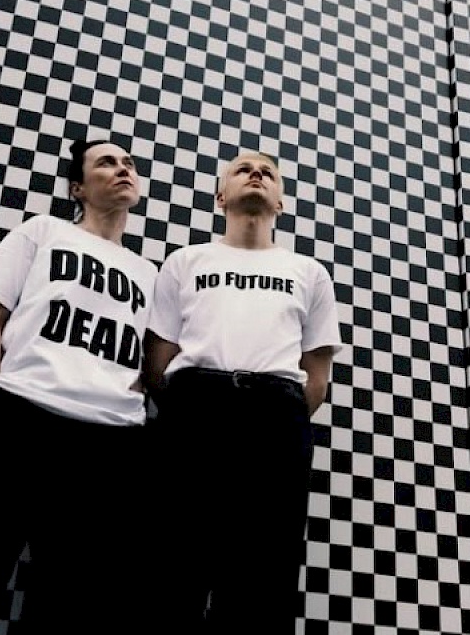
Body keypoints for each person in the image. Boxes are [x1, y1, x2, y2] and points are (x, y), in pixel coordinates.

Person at [0, 139, 157, 635]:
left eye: (129, 163)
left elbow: (147, 355)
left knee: (71, 595)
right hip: (24, 415)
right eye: (106, 162)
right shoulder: (43, 232)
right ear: (77, 187)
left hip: (112, 438)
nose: (122, 169)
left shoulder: (150, 273)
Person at [143, 150, 343, 634]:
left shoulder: (309, 272)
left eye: (268, 173)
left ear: (281, 202)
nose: (256, 174)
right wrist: (193, 403)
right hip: (194, 409)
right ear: (220, 197)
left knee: (264, 569)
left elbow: (317, 376)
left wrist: (274, 409)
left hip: (275, 416)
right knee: (174, 560)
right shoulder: (185, 261)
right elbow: (158, 359)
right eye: (242, 170)